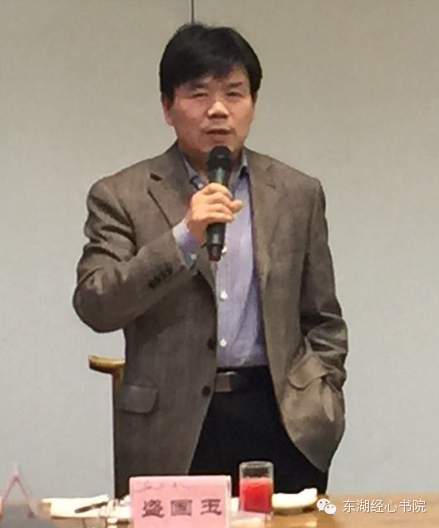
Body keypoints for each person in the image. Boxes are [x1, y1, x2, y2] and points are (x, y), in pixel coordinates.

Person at [73, 22, 348, 497]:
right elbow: (96, 304)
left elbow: (323, 318)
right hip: (169, 430)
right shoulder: (121, 195)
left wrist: (323, 396)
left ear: (252, 103)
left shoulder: (297, 193)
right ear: (167, 106)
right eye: (199, 93)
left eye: (234, 93)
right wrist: (184, 236)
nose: (218, 109)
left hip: (281, 419)